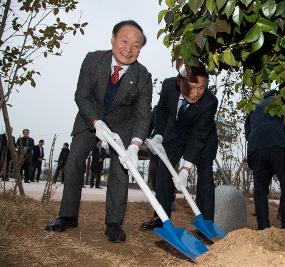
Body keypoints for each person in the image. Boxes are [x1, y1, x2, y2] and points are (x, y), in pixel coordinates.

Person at [45, 20, 153, 244]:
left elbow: (143, 114)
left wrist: (134, 145)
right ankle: (67, 216)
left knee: (120, 170)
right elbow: (81, 95)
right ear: (113, 39)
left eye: (136, 45)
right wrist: (96, 122)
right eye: (124, 41)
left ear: (140, 49)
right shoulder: (93, 59)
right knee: (74, 160)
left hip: (123, 124)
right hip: (89, 116)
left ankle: (113, 224)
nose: (128, 49)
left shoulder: (143, 77)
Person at [141, 62, 218, 230]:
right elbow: (161, 110)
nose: (197, 93)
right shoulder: (169, 86)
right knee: (163, 170)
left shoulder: (210, 102)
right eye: (192, 87)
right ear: (180, 82)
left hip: (203, 139)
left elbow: (199, 136)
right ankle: (161, 219)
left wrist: (186, 169)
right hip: (176, 135)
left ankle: (206, 225)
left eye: (202, 88)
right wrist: (159, 134)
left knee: (205, 174)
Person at [245, 90, 285, 230]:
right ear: (276, 96)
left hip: (257, 149)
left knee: (260, 190)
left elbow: (247, 132)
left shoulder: (255, 107)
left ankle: (263, 228)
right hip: (282, 146)